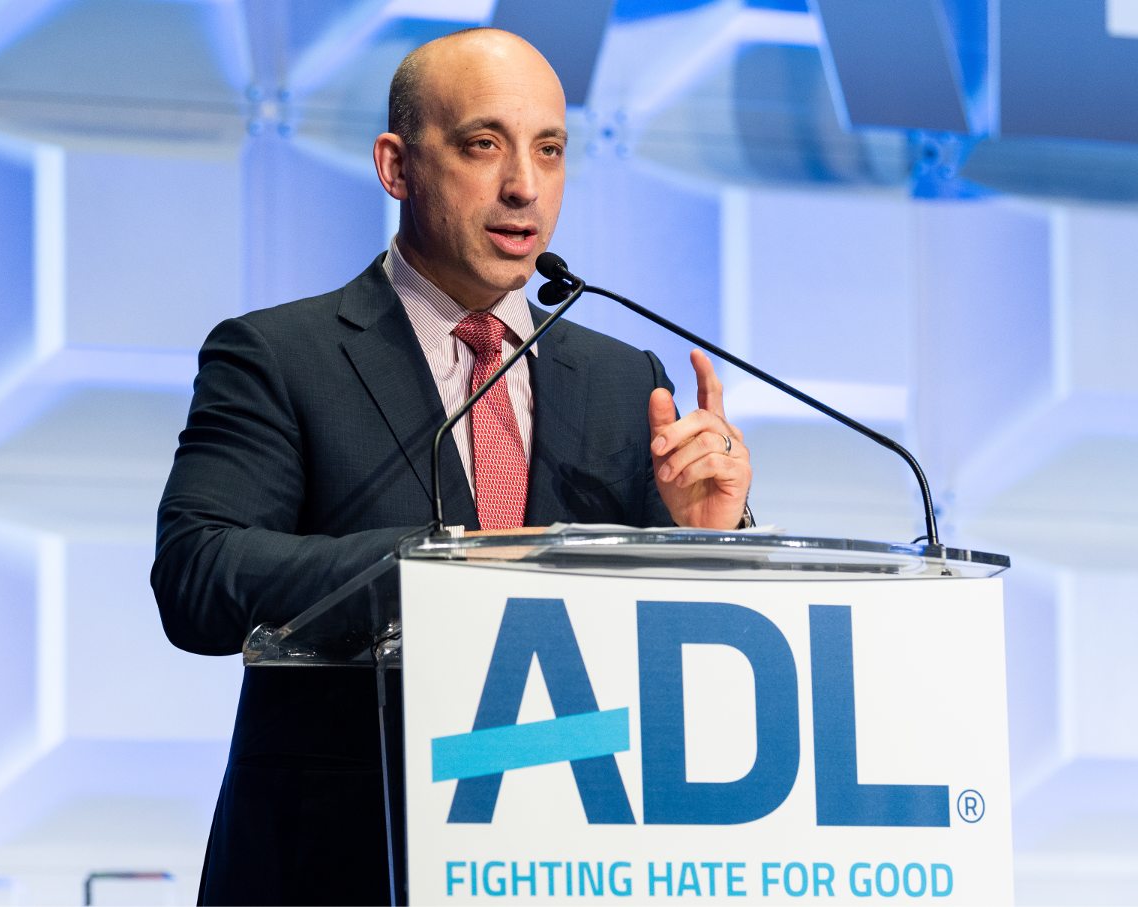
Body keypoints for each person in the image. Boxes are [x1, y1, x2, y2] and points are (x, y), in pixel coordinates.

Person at [152, 27, 752, 906]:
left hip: (571, 862)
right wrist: (438, 569)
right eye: (484, 144)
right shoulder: (280, 355)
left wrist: (713, 540)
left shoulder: (628, 380)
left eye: (549, 151)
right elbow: (197, 577)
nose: (524, 186)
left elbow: (677, 661)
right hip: (342, 864)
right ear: (397, 166)